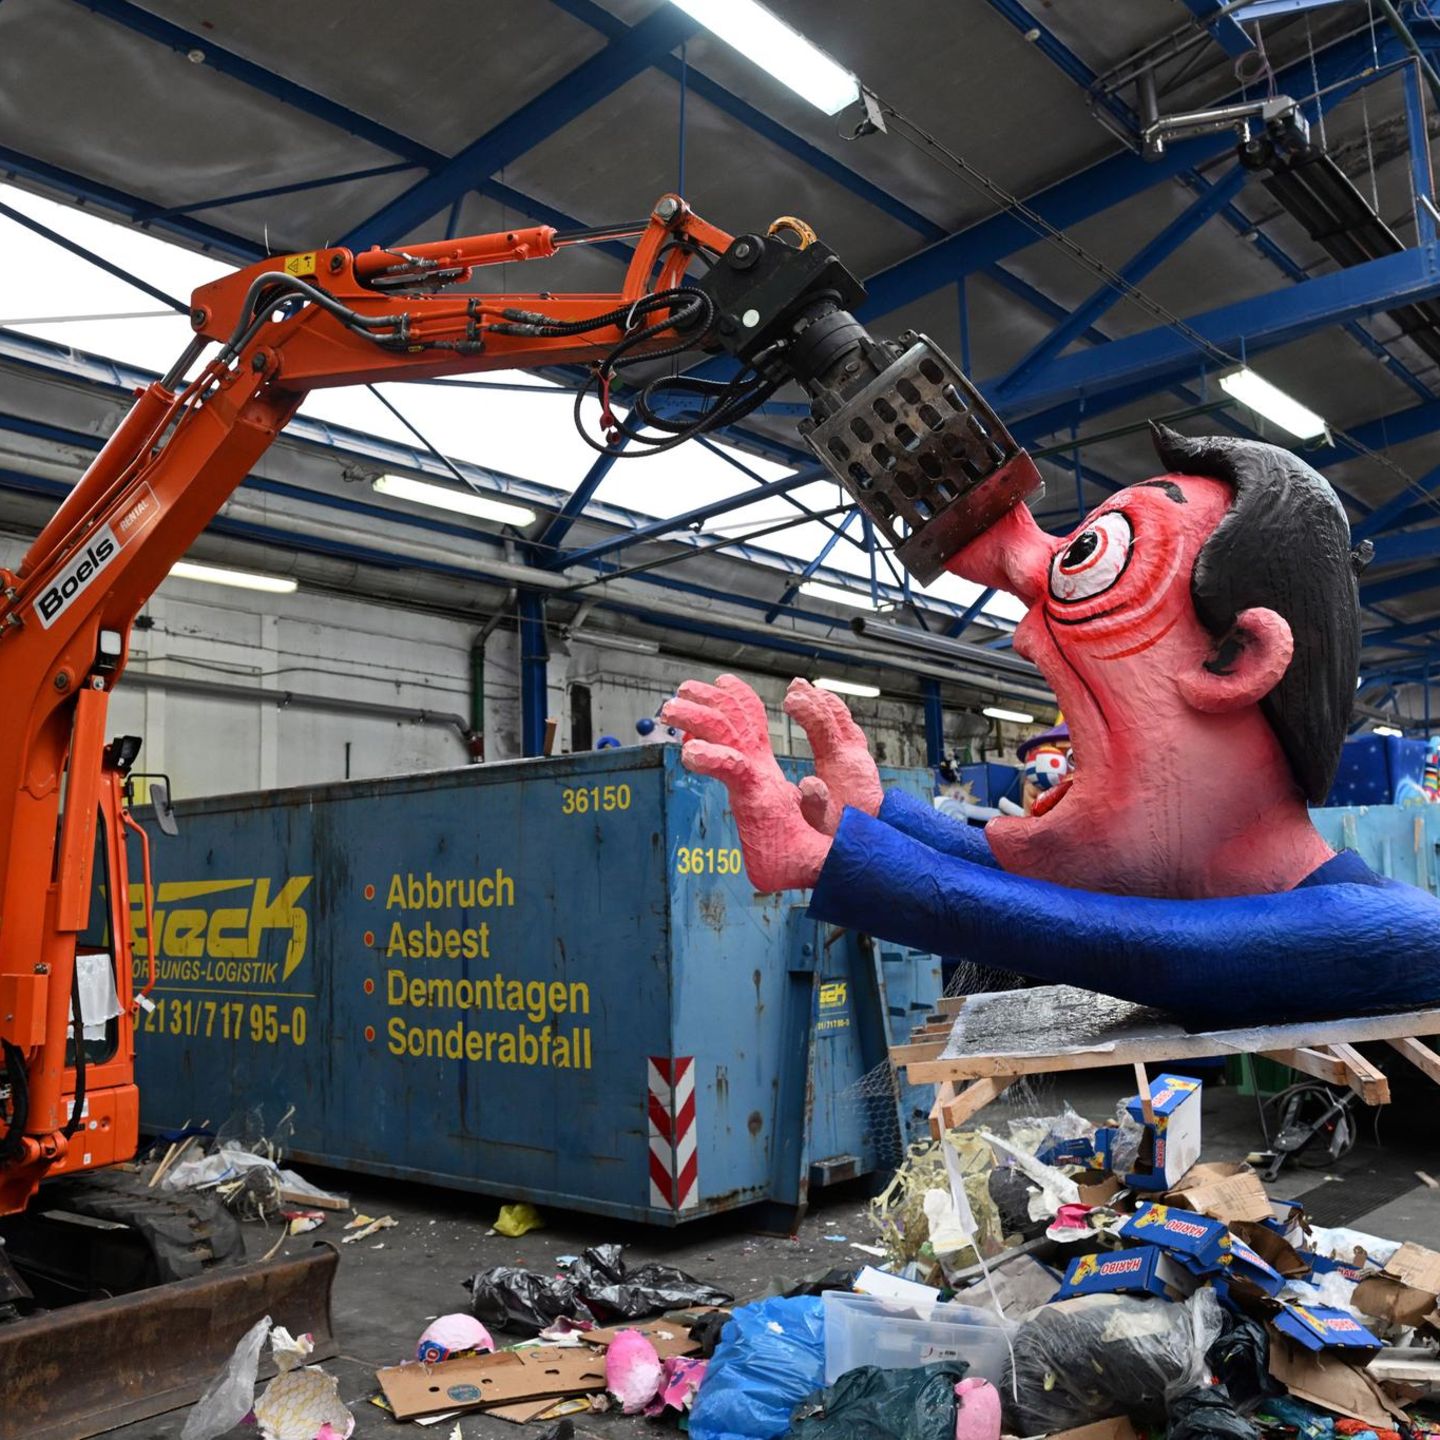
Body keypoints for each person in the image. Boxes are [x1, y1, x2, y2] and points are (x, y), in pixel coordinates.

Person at [661, 427, 1440, 1028]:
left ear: (1239, 658)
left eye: (1096, 562)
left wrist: (834, 862)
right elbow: (1066, 889)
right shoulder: (1229, 893)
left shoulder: (1395, 932)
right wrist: (876, 814)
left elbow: (1128, 944)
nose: (1028, 632)